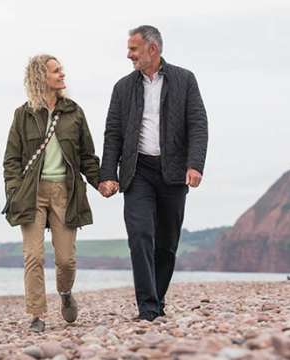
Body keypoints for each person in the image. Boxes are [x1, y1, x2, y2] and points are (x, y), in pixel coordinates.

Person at [99, 25, 208, 321]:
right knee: (140, 236)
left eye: (134, 49)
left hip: (173, 173)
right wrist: (107, 174)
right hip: (138, 172)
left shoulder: (185, 80)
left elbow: (198, 125)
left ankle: (158, 299)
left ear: (153, 49)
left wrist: (195, 165)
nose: (128, 54)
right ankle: (147, 308)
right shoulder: (122, 87)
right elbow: (113, 134)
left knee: (167, 243)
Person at [3, 54, 100, 332]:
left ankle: (66, 293)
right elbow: (11, 160)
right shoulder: (23, 115)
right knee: (33, 256)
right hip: (31, 192)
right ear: (40, 77)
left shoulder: (74, 112)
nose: (62, 75)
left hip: (65, 192)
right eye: (57, 71)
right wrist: (14, 191)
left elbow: (87, 156)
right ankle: (37, 315)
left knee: (65, 260)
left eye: (61, 70)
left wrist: (101, 183)